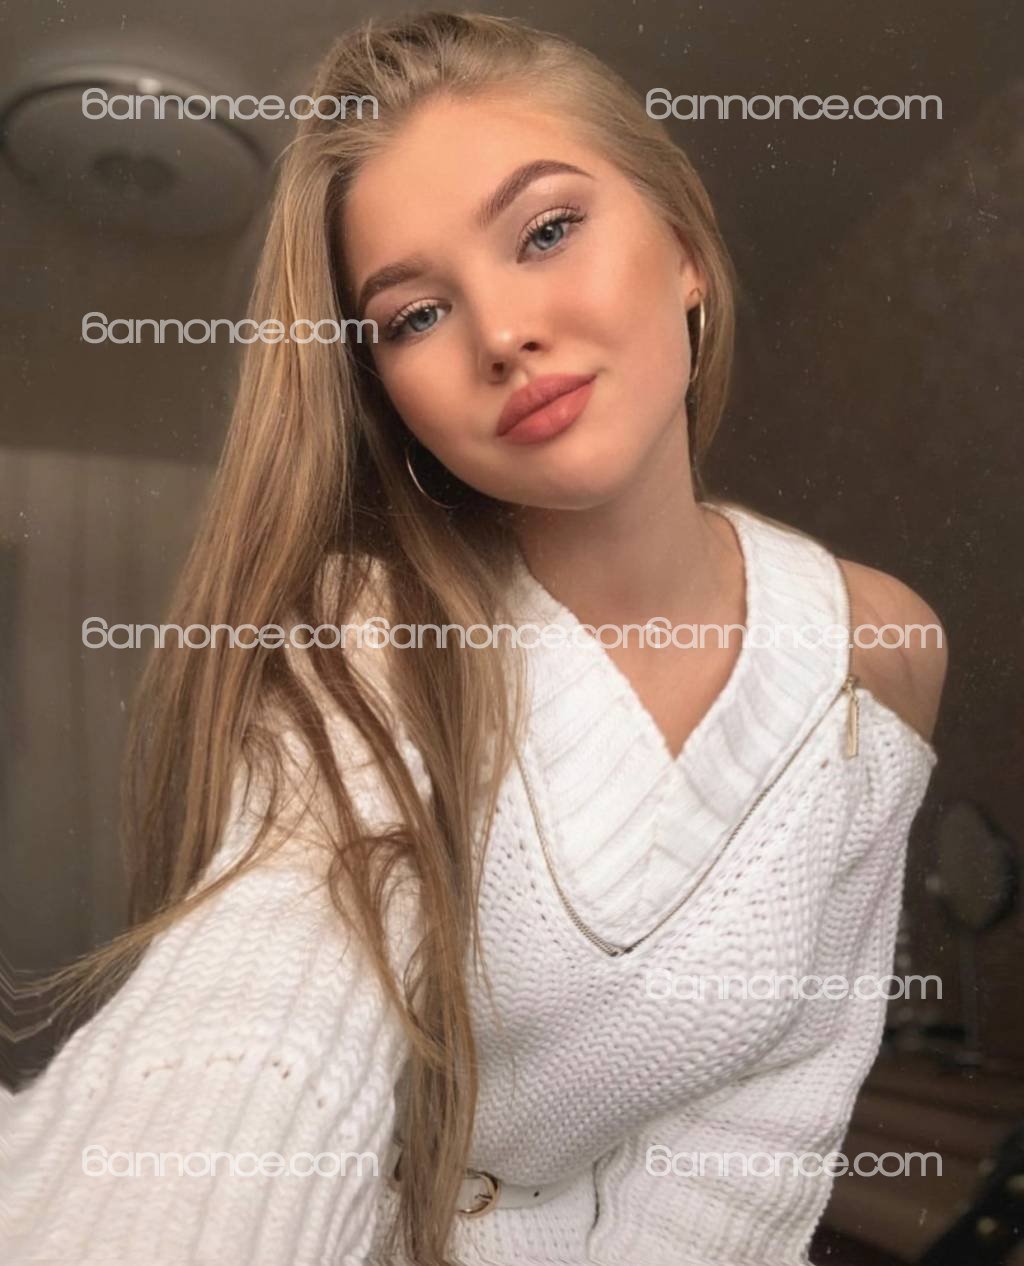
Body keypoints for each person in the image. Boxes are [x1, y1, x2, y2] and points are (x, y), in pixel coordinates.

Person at [0, 11, 947, 1266]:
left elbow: (765, 1127)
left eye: (547, 231)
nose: (500, 333)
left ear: (684, 249)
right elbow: (253, 1021)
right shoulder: (363, 641)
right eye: (414, 315)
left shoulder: (879, 653)